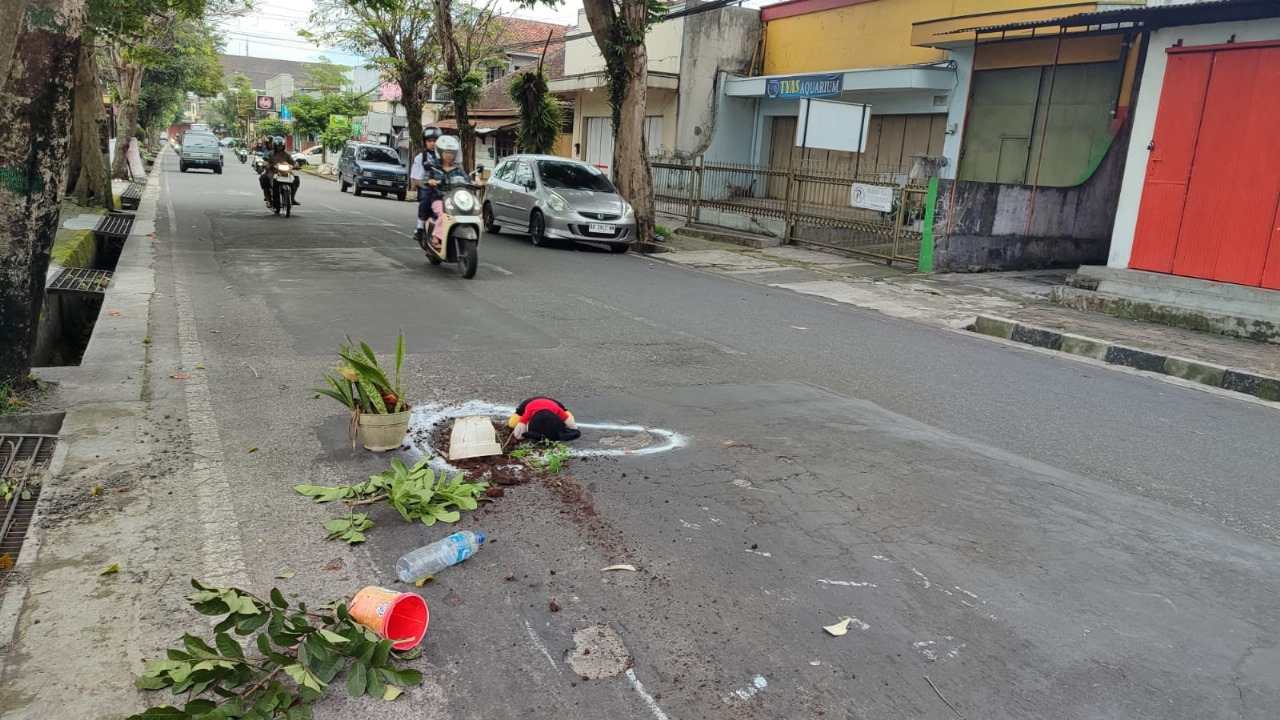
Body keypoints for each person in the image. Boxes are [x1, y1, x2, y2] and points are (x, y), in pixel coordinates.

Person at [415, 134, 469, 250]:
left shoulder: (458, 169)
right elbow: (425, 179)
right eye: (446, 152)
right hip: (439, 199)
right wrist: (430, 181)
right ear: (440, 153)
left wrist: (476, 182)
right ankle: (436, 237)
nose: (449, 155)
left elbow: (467, 179)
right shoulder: (434, 167)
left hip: (455, 199)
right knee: (444, 214)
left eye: (451, 153)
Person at [410, 128, 442, 235]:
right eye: (429, 141)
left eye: (435, 140)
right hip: (427, 187)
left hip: (443, 187)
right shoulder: (420, 158)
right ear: (425, 142)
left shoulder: (445, 157)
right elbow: (415, 179)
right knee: (426, 198)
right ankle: (420, 226)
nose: (433, 143)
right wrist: (426, 183)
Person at [507, 397, 580, 442]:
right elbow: (521, 425)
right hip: (528, 404)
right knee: (512, 423)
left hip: (554, 404)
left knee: (569, 416)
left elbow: (568, 419)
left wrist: (573, 428)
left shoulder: (557, 409)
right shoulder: (528, 411)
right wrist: (519, 434)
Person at [258, 136, 300, 206]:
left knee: (296, 178)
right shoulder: (270, 154)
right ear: (274, 146)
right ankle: (268, 199)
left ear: (283, 146)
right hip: (273, 171)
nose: (279, 147)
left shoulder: (287, 154)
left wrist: (296, 165)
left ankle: (292, 198)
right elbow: (265, 161)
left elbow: (292, 162)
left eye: (281, 146)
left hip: (286, 172)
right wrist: (266, 164)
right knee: (264, 178)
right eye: (278, 146)